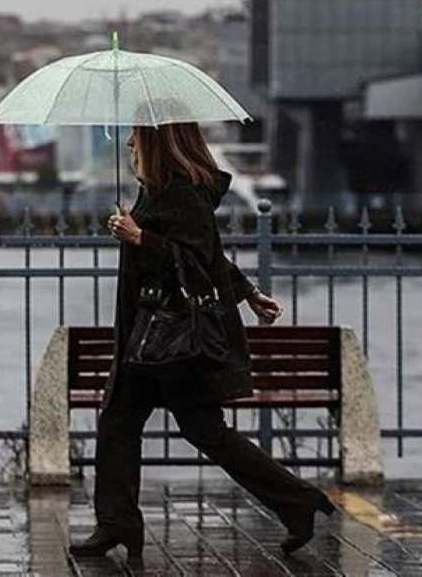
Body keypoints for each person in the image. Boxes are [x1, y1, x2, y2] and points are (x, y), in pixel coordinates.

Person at [70, 122, 335, 560]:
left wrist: (141, 238)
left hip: (173, 340)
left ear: (159, 140)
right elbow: (210, 255)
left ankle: (299, 502)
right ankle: (117, 525)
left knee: (204, 432)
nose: (131, 142)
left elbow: (194, 261)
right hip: (150, 338)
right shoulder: (158, 190)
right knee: (119, 423)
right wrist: (248, 293)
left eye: (137, 135)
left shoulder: (181, 193)